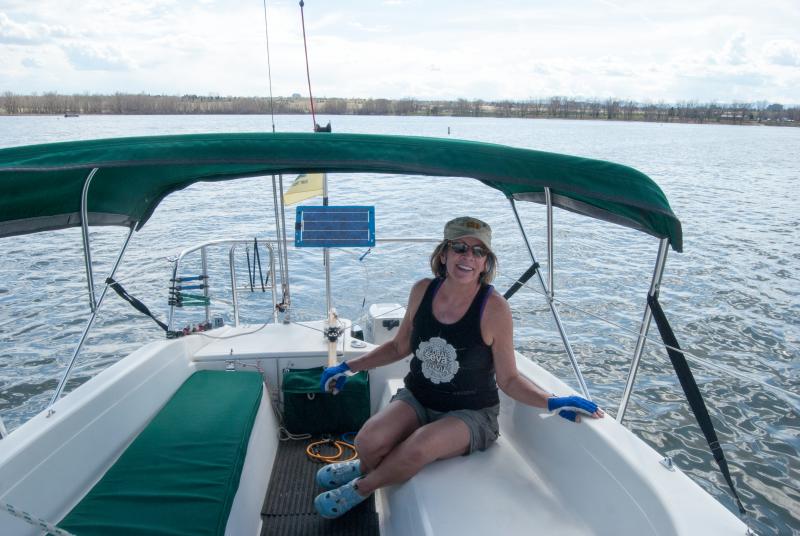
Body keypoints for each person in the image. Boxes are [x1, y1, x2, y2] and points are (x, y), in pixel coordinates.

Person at [313, 216, 604, 519]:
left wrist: (552, 401)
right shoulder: (422, 290)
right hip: (419, 398)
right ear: (443, 254)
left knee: (417, 448)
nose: (468, 257)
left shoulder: (494, 308)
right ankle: (362, 464)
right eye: (460, 247)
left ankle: (361, 488)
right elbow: (400, 347)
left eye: (478, 252)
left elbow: (509, 378)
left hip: (472, 413)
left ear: (485, 264)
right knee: (367, 441)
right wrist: (348, 367)